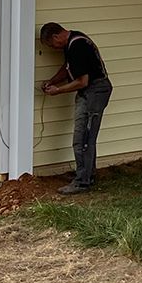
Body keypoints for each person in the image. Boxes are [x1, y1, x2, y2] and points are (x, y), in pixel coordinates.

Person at [39, 21, 113, 193]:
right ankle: (87, 174)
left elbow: (82, 81)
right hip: (89, 91)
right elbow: (68, 68)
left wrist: (57, 91)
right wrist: (52, 81)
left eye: (52, 44)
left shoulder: (77, 46)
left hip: (95, 91)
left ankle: (82, 182)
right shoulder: (72, 41)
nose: (54, 48)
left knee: (83, 138)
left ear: (56, 36)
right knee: (84, 138)